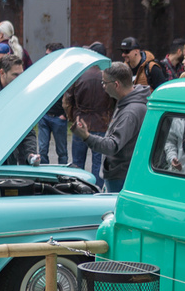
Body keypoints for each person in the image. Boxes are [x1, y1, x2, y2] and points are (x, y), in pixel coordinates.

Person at [74, 62, 149, 194]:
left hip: (120, 177)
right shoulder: (125, 101)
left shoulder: (130, 112)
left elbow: (112, 146)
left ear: (116, 85)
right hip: (118, 174)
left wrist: (86, 136)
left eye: (104, 82)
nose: (103, 86)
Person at [63, 42, 112, 181]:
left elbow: (67, 101)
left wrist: (73, 117)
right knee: (98, 164)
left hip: (80, 123)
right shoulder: (107, 76)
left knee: (78, 163)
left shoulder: (78, 75)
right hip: (102, 123)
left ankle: (79, 189)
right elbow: (114, 101)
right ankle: (96, 191)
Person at [37, 42, 68, 164]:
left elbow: (71, 94)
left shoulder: (66, 72)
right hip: (44, 116)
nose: (46, 58)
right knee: (42, 150)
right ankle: (45, 179)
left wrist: (65, 114)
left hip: (59, 116)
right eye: (46, 55)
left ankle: (63, 176)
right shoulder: (43, 70)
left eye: (49, 55)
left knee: (62, 151)